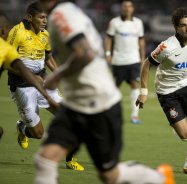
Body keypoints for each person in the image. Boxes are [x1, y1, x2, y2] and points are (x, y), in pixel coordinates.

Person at [34, 1, 175, 184]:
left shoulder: (61, 15)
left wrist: (56, 76)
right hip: (75, 104)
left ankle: (159, 178)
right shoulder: (67, 12)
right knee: (45, 159)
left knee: (109, 175)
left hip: (99, 104)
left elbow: (85, 53)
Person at [136, 7, 187, 177]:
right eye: (183, 25)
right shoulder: (167, 46)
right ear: (175, 27)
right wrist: (143, 91)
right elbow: (146, 64)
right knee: (186, 135)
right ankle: (177, 123)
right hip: (167, 92)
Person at [6, 2, 84, 171]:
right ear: (29, 17)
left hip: (43, 81)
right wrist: (29, 75)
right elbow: (7, 61)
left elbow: (47, 57)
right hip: (22, 85)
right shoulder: (17, 32)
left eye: (46, 18)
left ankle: (70, 160)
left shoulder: (45, 35)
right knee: (38, 133)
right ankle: (22, 128)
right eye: (41, 17)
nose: (45, 21)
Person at [105, 0, 145, 124]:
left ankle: (135, 115)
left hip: (133, 59)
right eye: (124, 6)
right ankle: (111, 114)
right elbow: (108, 38)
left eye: (129, 6)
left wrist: (142, 57)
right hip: (118, 60)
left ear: (133, 8)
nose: (127, 8)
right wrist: (108, 54)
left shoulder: (138, 23)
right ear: (121, 8)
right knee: (115, 87)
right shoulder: (114, 22)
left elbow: (141, 40)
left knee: (134, 84)